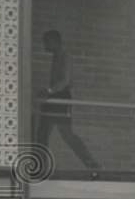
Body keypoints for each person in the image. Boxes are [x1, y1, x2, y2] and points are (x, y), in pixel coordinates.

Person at [36, 30, 100, 179]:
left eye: (47, 42)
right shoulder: (55, 57)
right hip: (53, 98)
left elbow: (65, 80)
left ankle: (94, 166)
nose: (45, 45)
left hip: (61, 98)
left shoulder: (66, 56)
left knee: (67, 135)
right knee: (42, 133)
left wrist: (49, 90)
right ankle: (40, 168)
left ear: (55, 41)